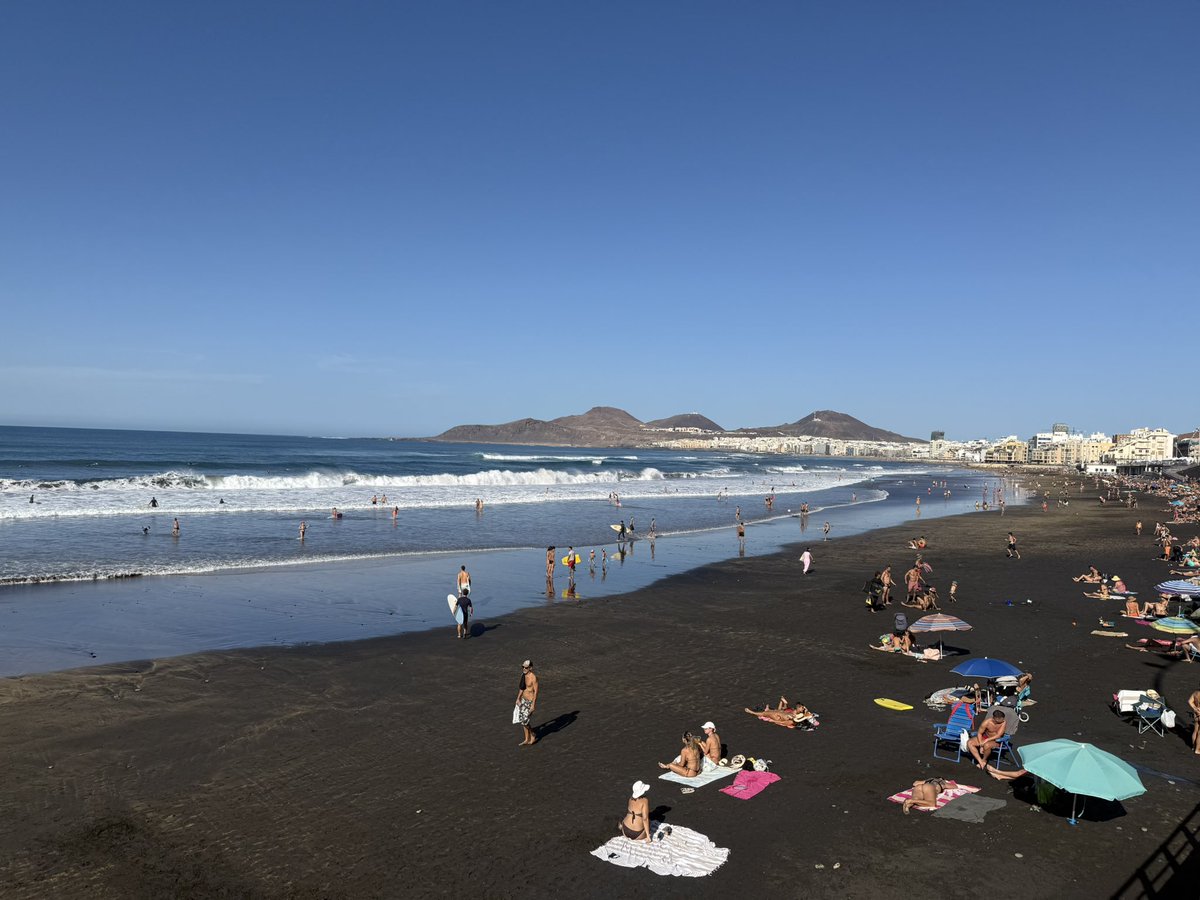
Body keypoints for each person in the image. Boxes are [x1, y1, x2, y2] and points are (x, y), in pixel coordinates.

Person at [515, 660, 539, 746]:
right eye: (523, 667)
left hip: (530, 702)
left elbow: (536, 692)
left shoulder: (533, 678)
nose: (524, 669)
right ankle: (526, 739)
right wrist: (518, 698)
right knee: (522, 720)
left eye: (526, 667)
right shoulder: (523, 675)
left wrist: (533, 705)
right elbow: (522, 688)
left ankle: (532, 734)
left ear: (530, 668)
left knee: (525, 720)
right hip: (523, 700)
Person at [1188, 689, 1200, 755]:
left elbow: (1189, 701)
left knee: (1195, 731)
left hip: (1196, 714)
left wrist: (1195, 708)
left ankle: (1193, 746)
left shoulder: (1196, 693)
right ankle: (1197, 749)